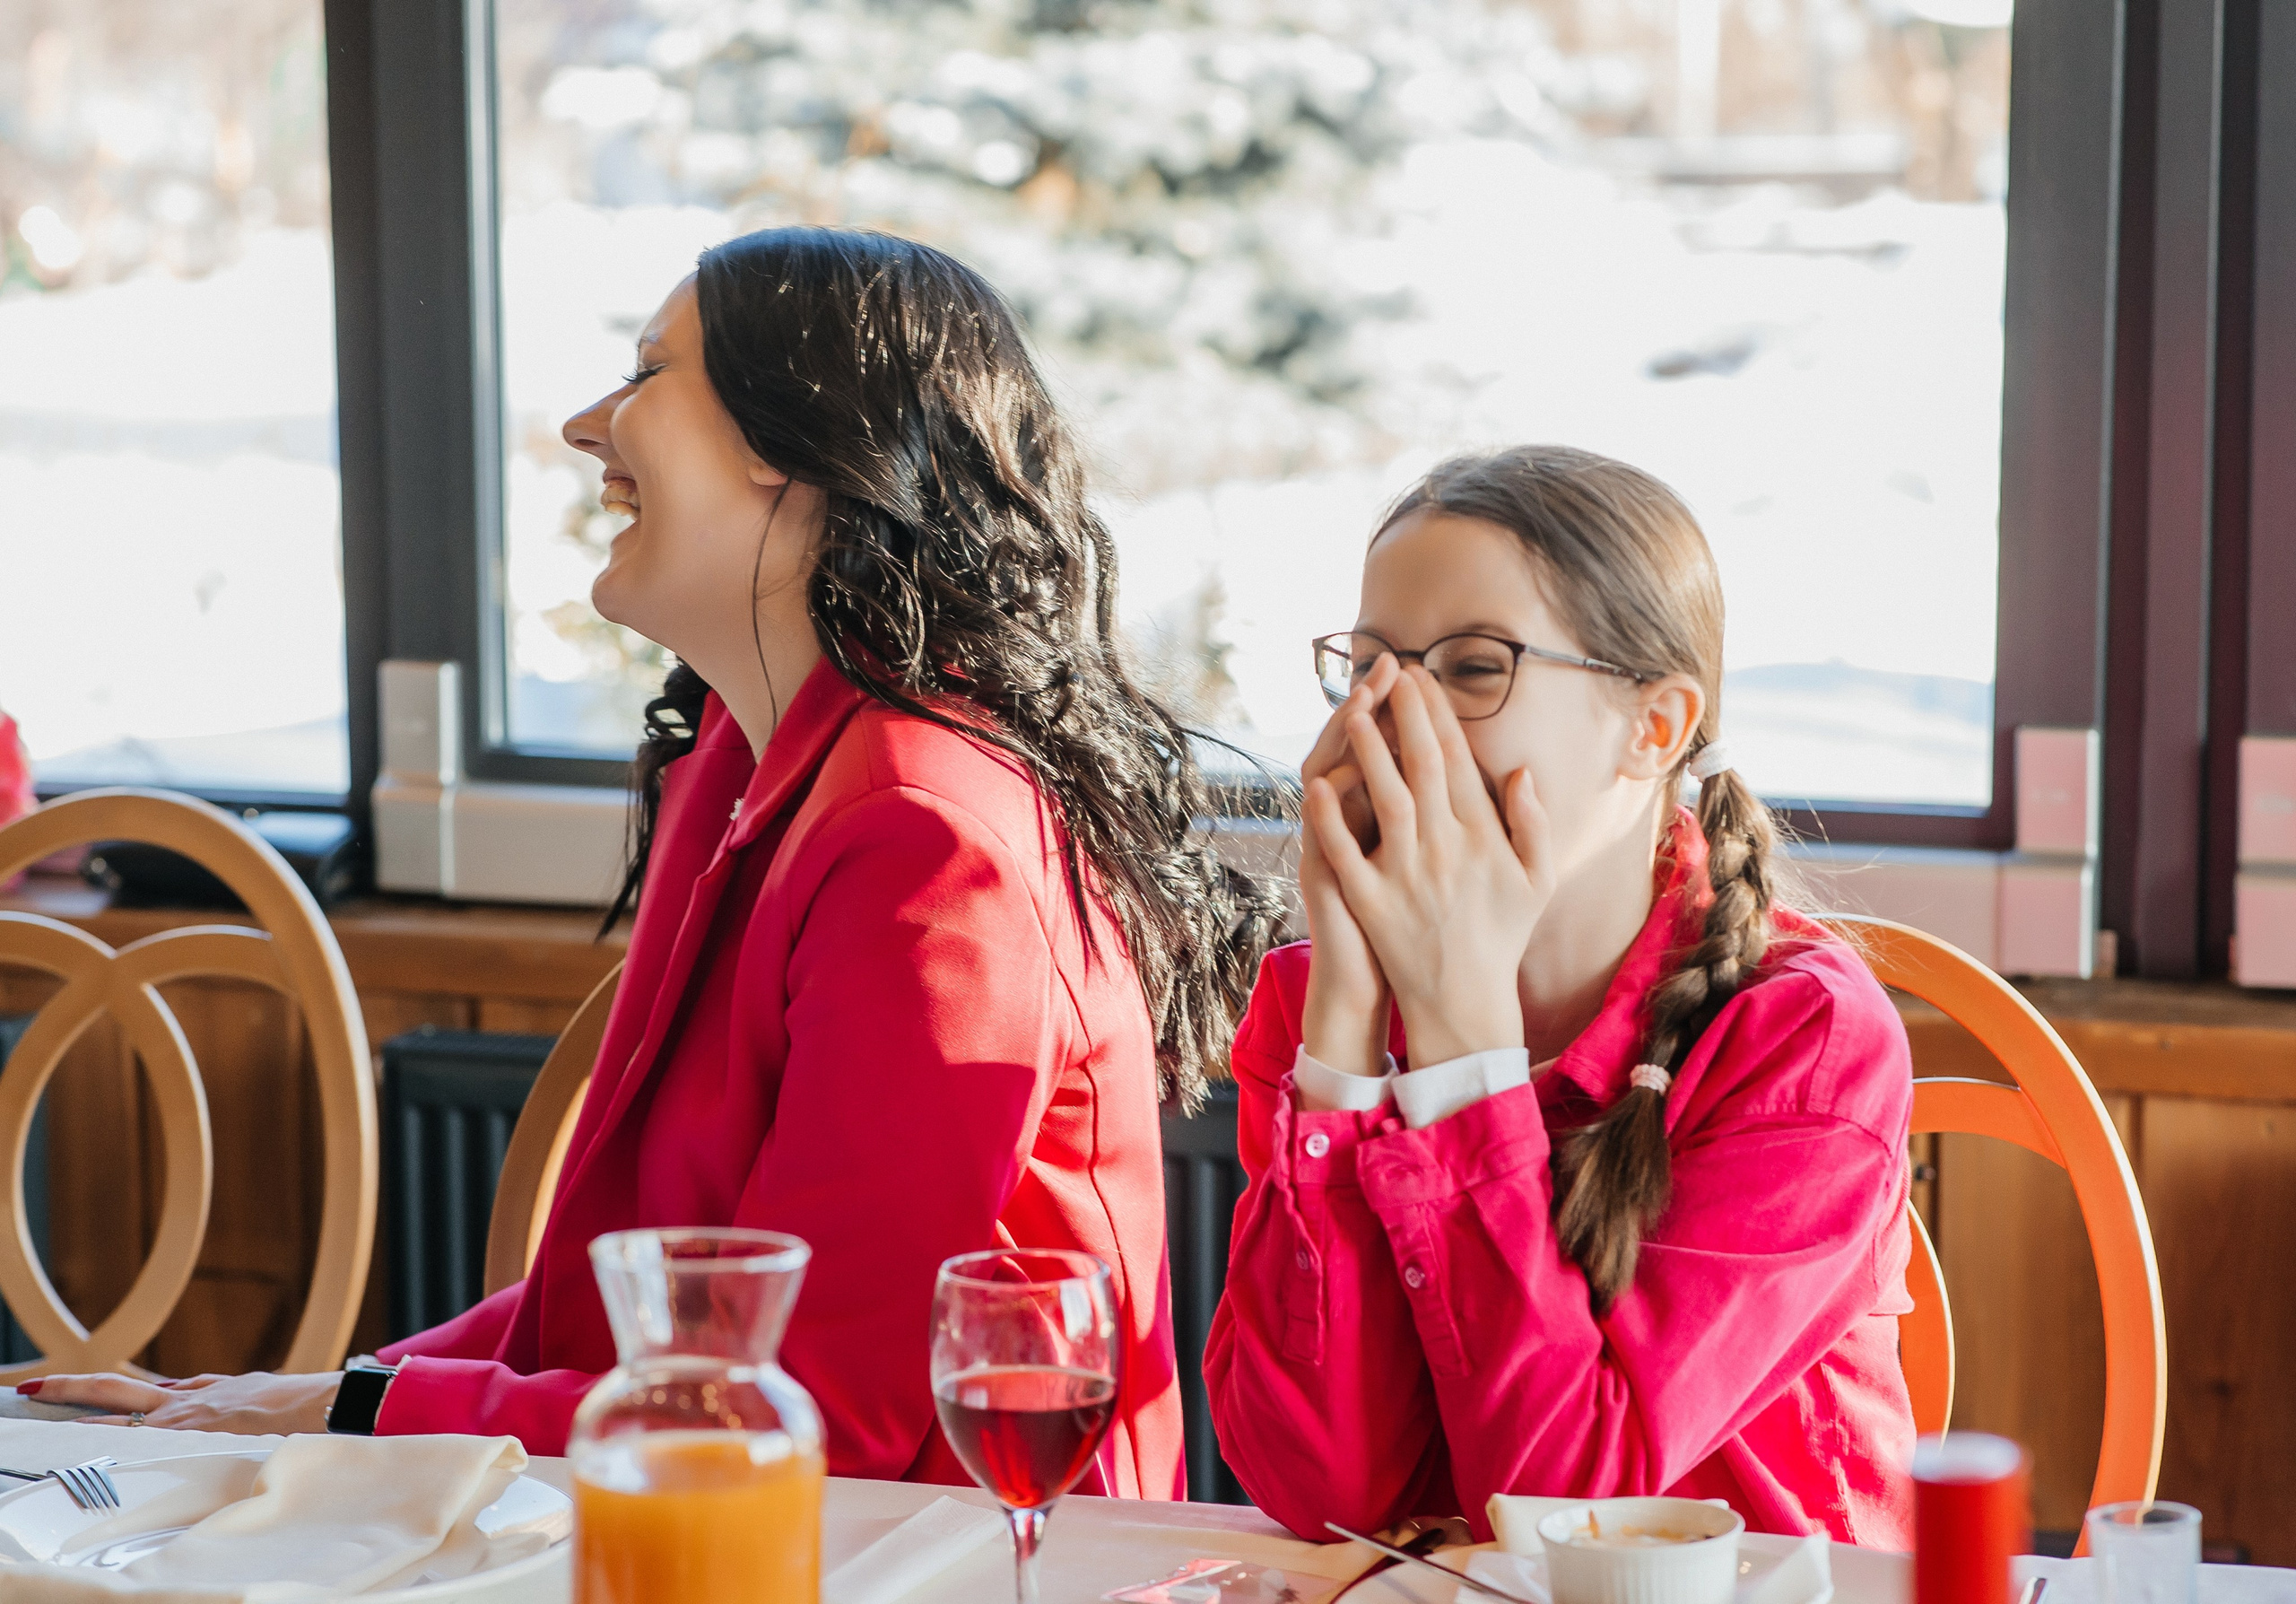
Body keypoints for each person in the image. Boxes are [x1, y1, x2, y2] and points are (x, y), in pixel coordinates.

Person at [30, 229, 1281, 1497]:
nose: (586, 425)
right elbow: (614, 1324)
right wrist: (300, 1399)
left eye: (644, 374)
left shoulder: (930, 839)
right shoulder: (744, 761)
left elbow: (813, 1416)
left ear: (790, 441)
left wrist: (345, 1415)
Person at [1203, 445, 1916, 1548]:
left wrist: (1460, 1051)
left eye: (1473, 669)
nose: (1394, 720)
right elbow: (1324, 1493)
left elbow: (1563, 1507)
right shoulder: (1312, 1000)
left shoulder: (1804, 1042)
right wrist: (1344, 1015)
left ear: (1656, 726)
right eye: (1372, 665)